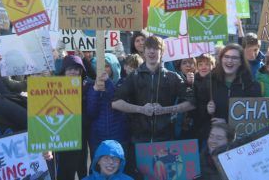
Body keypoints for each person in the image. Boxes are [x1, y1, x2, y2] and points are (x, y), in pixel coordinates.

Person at [112, 36, 195, 177]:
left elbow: (192, 103)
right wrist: (141, 109)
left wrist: (166, 110)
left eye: (155, 48)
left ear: (162, 52)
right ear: (143, 52)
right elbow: (115, 103)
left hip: (165, 142)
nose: (152, 52)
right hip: (139, 141)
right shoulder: (134, 76)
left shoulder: (172, 77)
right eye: (148, 48)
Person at [86, 53, 130, 160]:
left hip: (118, 135)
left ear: (113, 67)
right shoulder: (91, 85)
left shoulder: (122, 83)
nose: (103, 69)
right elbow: (91, 112)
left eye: (107, 66)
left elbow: (117, 101)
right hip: (98, 137)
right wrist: (95, 90)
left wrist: (108, 83)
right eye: (100, 66)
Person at [208, 44, 261, 123]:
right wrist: (207, 111)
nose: (229, 61)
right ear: (221, 59)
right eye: (226, 57)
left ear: (241, 62)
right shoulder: (210, 82)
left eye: (234, 58)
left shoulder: (252, 86)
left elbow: (254, 117)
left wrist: (226, 122)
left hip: (240, 133)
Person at [193, 53, 216, 143]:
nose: (204, 67)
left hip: (210, 120)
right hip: (196, 120)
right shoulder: (193, 79)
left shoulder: (215, 80)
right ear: (197, 67)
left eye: (207, 64)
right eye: (200, 64)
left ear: (213, 66)